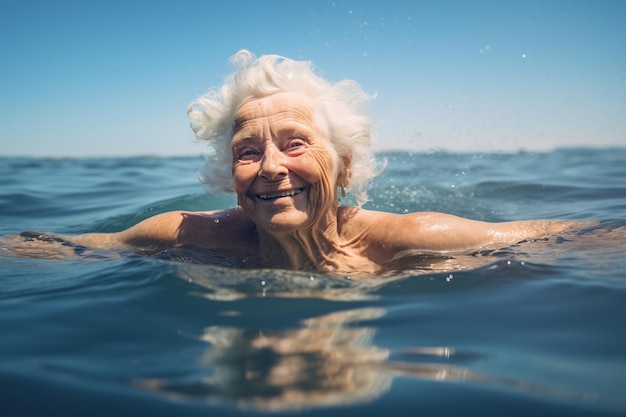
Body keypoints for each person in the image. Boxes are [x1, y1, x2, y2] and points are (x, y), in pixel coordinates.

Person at [20, 50, 575, 276]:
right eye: (247, 151)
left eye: (295, 144)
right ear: (229, 176)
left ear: (345, 167)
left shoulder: (412, 238)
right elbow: (68, 248)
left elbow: (568, 239)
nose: (269, 167)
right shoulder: (188, 235)